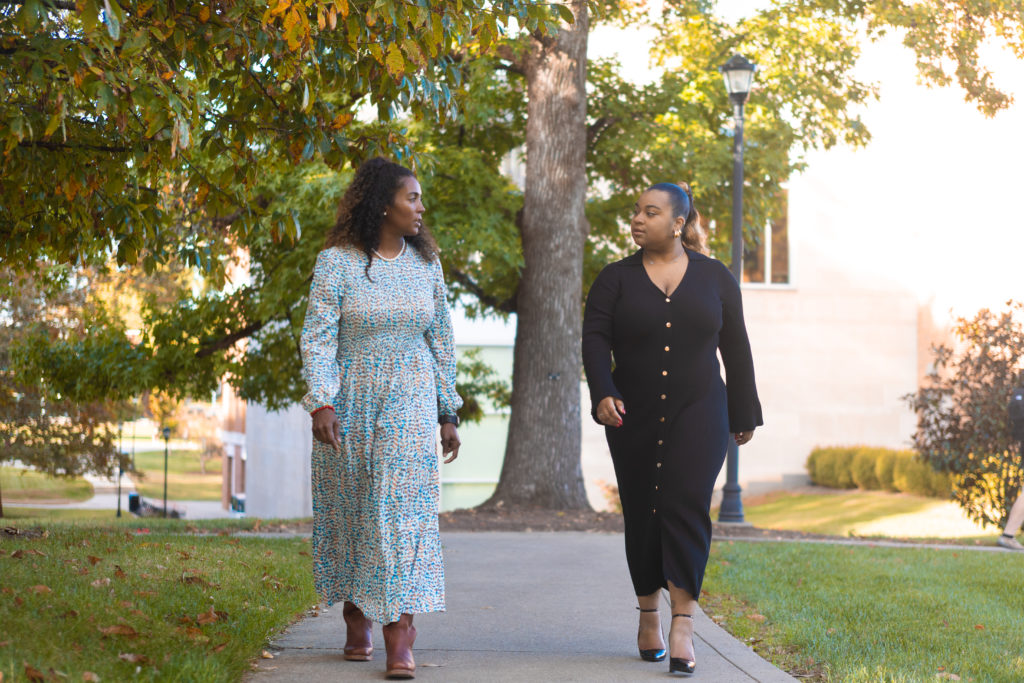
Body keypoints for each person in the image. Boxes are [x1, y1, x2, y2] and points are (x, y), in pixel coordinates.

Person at [582, 182, 763, 675]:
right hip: (631, 413)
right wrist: (602, 392)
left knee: (685, 505)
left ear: (678, 223)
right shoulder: (613, 279)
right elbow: (595, 340)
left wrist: (744, 411)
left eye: (651, 212)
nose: (638, 219)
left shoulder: (715, 278)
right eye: (636, 211)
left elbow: (737, 345)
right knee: (643, 509)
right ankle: (647, 613)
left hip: (701, 410)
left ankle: (683, 622)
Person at [300, 157, 463, 679]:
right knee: (353, 509)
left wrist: (447, 410)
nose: (421, 207)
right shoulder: (337, 263)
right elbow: (319, 337)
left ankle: (400, 631)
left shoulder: (426, 264)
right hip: (351, 401)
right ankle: (355, 612)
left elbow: (440, 340)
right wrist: (321, 401)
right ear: (383, 204)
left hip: (411, 402)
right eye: (412, 198)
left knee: (404, 514)